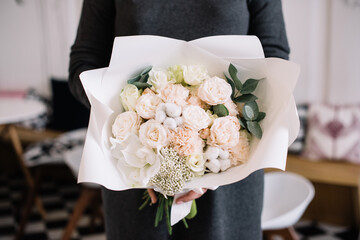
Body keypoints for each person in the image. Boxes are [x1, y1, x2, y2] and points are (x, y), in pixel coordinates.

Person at [69, 1, 290, 239]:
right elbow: (83, 62)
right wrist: (140, 133)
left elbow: (274, 55)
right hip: (134, 171)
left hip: (230, 167)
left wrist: (212, 152)